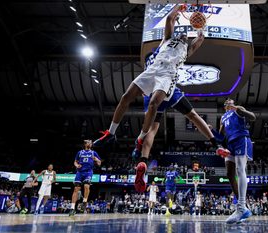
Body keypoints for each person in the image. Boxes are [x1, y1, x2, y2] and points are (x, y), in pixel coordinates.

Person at [93, 5, 206, 192]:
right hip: (152, 70)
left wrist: (201, 27)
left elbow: (200, 39)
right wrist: (179, 7)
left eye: (187, 37)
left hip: (167, 76)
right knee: (125, 96)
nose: (184, 36)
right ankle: (110, 134)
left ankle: (141, 139)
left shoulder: (187, 50)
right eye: (183, 34)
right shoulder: (168, 39)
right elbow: (170, 19)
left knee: (154, 104)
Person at [219, 99, 256, 224]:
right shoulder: (223, 118)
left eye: (231, 102)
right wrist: (212, 131)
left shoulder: (238, 109)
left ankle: (241, 207)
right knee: (229, 174)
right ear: (225, 106)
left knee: (240, 170)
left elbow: (253, 117)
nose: (230, 103)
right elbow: (221, 136)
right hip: (230, 145)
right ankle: (243, 208)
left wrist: (242, 111)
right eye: (227, 102)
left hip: (241, 140)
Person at [69, 140, 101, 216]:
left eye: (91, 143)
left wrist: (96, 160)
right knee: (76, 189)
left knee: (86, 186)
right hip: (79, 172)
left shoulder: (93, 153)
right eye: (89, 142)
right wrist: (76, 165)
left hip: (88, 172)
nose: (91, 144)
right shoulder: (80, 152)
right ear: (85, 144)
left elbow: (99, 163)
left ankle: (84, 201)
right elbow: (75, 161)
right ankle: (72, 208)